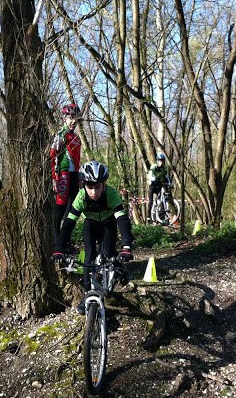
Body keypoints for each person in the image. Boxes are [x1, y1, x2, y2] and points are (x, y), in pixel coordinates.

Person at [52, 161, 134, 314]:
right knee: (89, 257)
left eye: (97, 187)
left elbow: (122, 221)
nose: (94, 192)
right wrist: (58, 248)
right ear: (84, 185)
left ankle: (117, 266)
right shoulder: (81, 196)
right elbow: (68, 223)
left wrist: (126, 246)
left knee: (107, 254)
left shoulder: (111, 194)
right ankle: (87, 294)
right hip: (90, 224)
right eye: (90, 187)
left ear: (104, 184)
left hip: (109, 224)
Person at [51, 103, 82, 245]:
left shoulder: (76, 137)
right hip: (63, 175)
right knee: (60, 208)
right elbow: (52, 156)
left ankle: (66, 240)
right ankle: (57, 241)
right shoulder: (60, 135)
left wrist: (80, 176)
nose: (73, 120)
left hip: (74, 175)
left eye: (75, 117)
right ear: (64, 118)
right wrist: (53, 178)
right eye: (70, 117)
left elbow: (78, 158)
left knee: (73, 208)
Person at [146, 152, 172, 224]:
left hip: (159, 185)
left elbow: (166, 177)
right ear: (157, 161)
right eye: (160, 160)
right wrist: (152, 178)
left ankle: (161, 216)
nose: (161, 162)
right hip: (152, 185)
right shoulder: (154, 166)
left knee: (161, 200)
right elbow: (150, 175)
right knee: (150, 201)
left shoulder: (164, 168)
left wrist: (170, 183)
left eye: (162, 160)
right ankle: (148, 217)